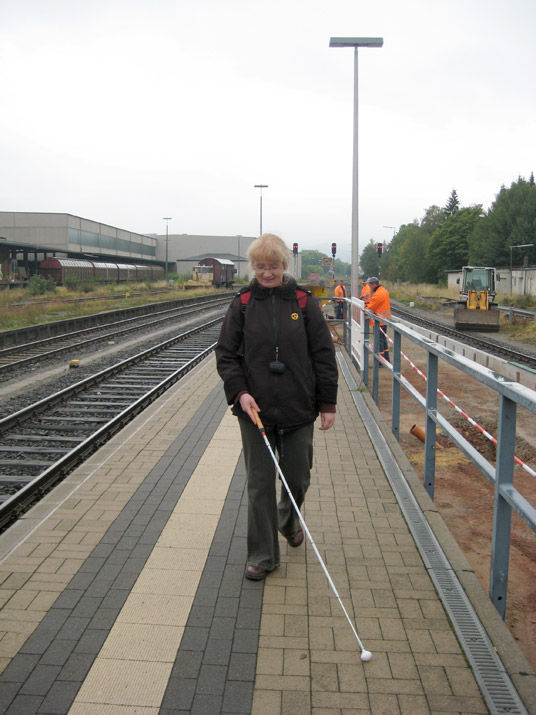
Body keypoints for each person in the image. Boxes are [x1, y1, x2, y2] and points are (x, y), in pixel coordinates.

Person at [215, 234, 338, 581]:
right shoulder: (241, 304)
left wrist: (327, 403)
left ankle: (289, 518)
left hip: (300, 407)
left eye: (273, 266)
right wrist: (240, 393)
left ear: (285, 265)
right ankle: (263, 555)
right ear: (253, 267)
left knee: (298, 477)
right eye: (260, 267)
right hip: (255, 411)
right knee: (259, 483)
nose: (266, 273)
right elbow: (226, 354)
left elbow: (324, 356)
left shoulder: (304, 302)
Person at [366, 277, 391, 362]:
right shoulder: (384, 291)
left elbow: (371, 307)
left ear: (374, 284)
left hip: (379, 321)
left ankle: (380, 361)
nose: (370, 287)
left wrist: (365, 308)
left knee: (379, 341)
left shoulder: (378, 294)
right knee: (383, 341)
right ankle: (386, 358)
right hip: (384, 320)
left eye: (370, 285)